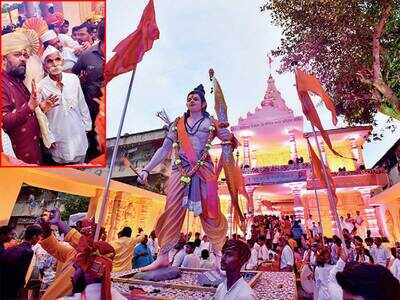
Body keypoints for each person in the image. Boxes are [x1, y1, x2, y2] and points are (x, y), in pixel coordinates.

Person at [136, 84, 231, 272]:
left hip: (204, 170)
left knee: (211, 211)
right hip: (180, 171)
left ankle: (219, 256)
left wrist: (227, 135)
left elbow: (227, 139)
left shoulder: (211, 122)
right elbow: (164, 149)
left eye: (196, 98)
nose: (192, 100)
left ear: (203, 103)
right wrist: (147, 169)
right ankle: (163, 256)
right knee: (171, 210)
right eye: (189, 98)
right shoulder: (177, 124)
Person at [1, 30, 57, 164]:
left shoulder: (17, 79)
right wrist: (30, 107)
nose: (23, 59)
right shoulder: (2, 83)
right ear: (3, 58)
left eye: (25, 55)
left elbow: (26, 111)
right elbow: (4, 122)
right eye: (17, 54)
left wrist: (40, 108)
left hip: (34, 150)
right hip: (19, 159)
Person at [39, 46, 92, 164]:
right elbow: (40, 116)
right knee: (62, 166)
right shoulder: (40, 86)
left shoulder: (73, 79)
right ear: (44, 66)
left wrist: (86, 126)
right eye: (49, 61)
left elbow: (82, 103)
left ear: (62, 61)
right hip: (58, 135)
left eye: (57, 59)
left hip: (78, 131)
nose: (54, 64)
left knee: (81, 164)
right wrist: (48, 137)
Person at [72, 20, 105, 162]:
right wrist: (80, 81)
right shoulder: (87, 55)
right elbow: (73, 76)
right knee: (93, 145)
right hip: (92, 110)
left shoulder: (119, 56)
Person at [0, 225, 43, 299]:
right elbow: (21, 273)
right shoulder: (28, 251)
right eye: (39, 236)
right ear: (34, 237)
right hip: (13, 287)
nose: (40, 239)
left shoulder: (16, 248)